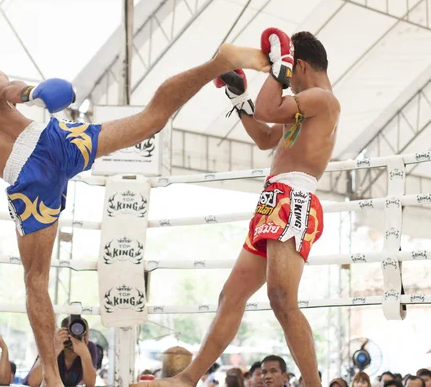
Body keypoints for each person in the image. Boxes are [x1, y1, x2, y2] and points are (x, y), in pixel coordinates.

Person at [0, 43, 269, 386]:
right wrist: (36, 92)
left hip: (28, 180)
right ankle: (217, 62)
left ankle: (54, 381)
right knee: (150, 119)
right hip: (55, 139)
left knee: (36, 280)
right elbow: (18, 92)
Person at [135, 28, 339, 387]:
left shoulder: (322, 99)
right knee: (231, 295)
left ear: (300, 65)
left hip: (295, 198)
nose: (286, 81)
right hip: (274, 201)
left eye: (290, 73)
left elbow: (268, 108)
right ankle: (188, 379)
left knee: (281, 299)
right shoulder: (305, 107)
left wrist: (279, 67)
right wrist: (238, 95)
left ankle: (312, 384)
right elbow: (264, 136)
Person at [23, 317, 98, 387]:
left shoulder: (89, 348)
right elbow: (33, 382)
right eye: (73, 330)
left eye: (82, 331)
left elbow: (90, 384)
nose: (77, 334)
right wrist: (54, 351)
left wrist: (85, 355)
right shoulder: (53, 344)